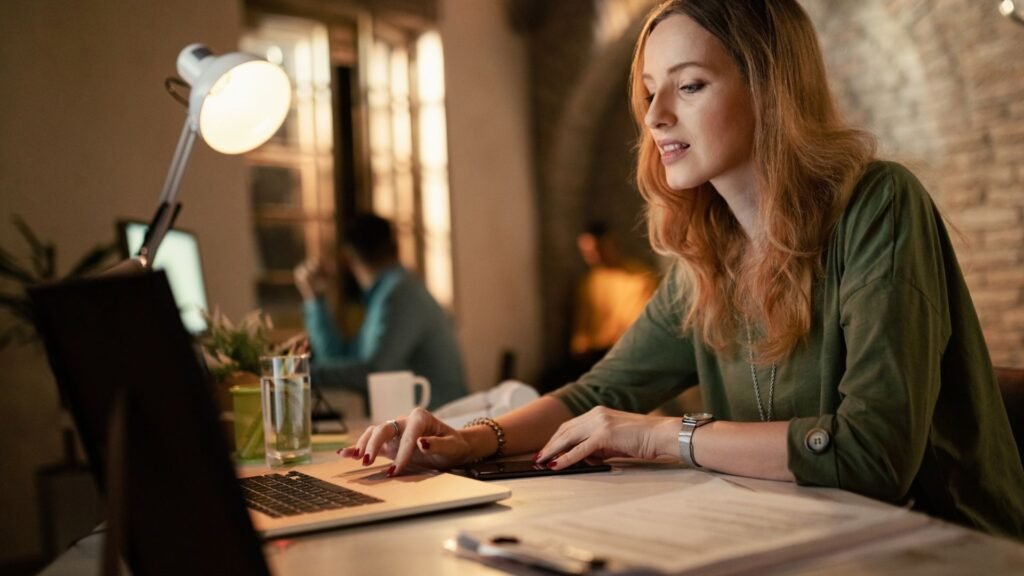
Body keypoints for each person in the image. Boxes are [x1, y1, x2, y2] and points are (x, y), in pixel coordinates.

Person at [340, 0, 1024, 539]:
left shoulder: (880, 205)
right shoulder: (710, 251)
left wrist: (662, 434)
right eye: (648, 93)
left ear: (769, 89)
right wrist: (469, 441)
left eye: (689, 86)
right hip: (800, 539)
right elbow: (598, 392)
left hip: (946, 547)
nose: (656, 117)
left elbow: (874, 456)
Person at [294, 214, 467, 410]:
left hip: (443, 418)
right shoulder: (387, 294)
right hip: (422, 416)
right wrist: (315, 299)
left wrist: (297, 372)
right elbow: (341, 358)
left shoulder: (400, 293)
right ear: (396, 247)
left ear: (347, 257)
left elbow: (375, 371)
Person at [568, 221, 658, 376]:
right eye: (587, 252)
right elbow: (581, 329)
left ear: (612, 245)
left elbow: (639, 326)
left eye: (599, 249)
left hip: (626, 351)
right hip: (595, 355)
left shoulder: (641, 278)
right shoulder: (589, 282)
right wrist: (580, 348)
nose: (594, 257)